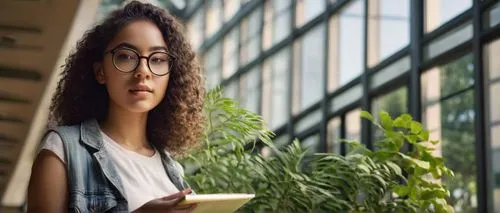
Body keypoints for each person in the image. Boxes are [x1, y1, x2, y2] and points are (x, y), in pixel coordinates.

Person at [27, 1, 205, 212]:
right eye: (127, 56)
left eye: (157, 59)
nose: (143, 71)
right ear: (100, 72)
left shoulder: (171, 168)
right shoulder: (62, 149)